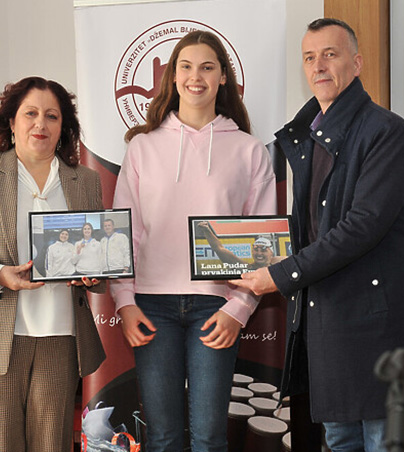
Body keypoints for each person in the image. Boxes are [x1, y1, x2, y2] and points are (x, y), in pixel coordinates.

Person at [230, 18, 404, 452]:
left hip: (378, 326)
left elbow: (362, 226)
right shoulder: (307, 138)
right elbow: (308, 230)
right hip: (328, 326)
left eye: (330, 54)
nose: (318, 65)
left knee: (384, 443)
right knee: (340, 441)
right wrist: (254, 257)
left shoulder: (386, 131)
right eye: (309, 57)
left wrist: (280, 274)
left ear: (356, 63)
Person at [110, 30, 277, 452]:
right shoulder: (142, 147)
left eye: (207, 67)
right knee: (163, 437)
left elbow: (262, 245)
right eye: (185, 67)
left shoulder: (250, 150)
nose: (195, 76)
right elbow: (126, 232)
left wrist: (239, 308)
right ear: (172, 76)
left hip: (216, 306)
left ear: (223, 77)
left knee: (208, 436)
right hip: (151, 306)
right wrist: (124, 302)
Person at [0, 76, 107, 452]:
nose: (41, 123)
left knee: (52, 445)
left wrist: (92, 273)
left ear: (64, 127)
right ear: (11, 121)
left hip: (60, 335)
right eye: (31, 113)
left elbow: (94, 249)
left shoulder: (85, 181)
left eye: (52, 116)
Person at [197, 221, 285, 270]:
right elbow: (219, 249)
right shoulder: (246, 267)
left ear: (271, 252)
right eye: (256, 249)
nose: (259, 253)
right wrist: (206, 230)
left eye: (263, 250)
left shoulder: (278, 264)